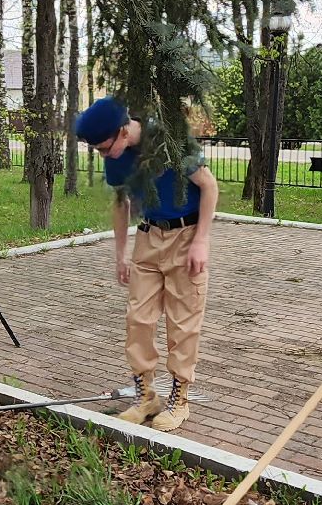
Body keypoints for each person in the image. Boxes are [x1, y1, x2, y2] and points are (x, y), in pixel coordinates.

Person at [74, 97, 218, 432]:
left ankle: (179, 401)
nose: (101, 154)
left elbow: (209, 187)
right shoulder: (116, 154)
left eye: (103, 146)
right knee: (138, 319)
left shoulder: (170, 140)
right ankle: (146, 397)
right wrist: (120, 253)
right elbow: (121, 203)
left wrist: (201, 241)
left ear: (123, 132)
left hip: (186, 235)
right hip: (148, 237)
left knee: (183, 323)